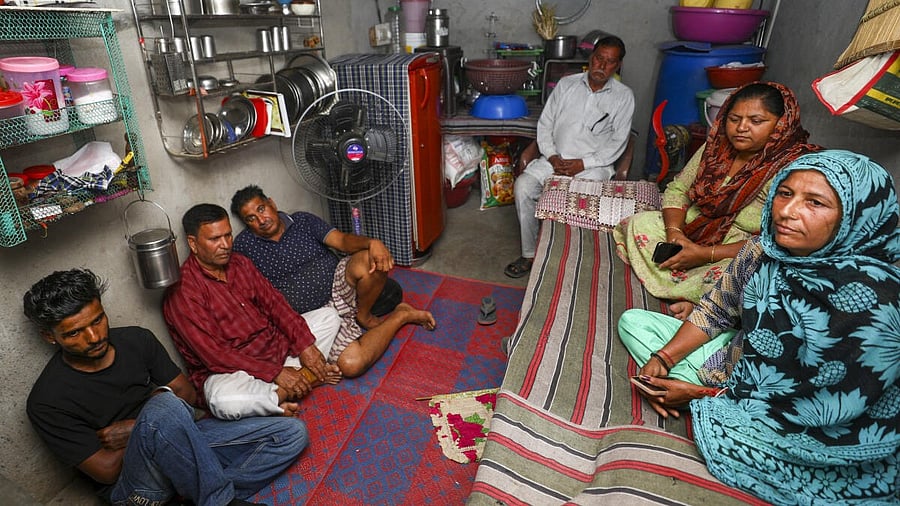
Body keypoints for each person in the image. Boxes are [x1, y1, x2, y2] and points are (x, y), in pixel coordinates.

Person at [618, 150, 900, 504]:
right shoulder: (763, 250)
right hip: (739, 359)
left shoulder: (875, 302)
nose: (786, 211)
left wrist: (701, 397)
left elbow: (821, 404)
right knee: (634, 322)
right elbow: (716, 310)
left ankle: (700, 392)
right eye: (785, 193)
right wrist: (662, 357)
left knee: (810, 467)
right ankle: (694, 381)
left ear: (856, 217)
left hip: (806, 415)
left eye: (814, 202)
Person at [25, 269, 306, 506]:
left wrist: (139, 427)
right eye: (74, 333)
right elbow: (107, 471)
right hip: (136, 486)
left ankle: (195, 488)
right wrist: (149, 428)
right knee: (163, 408)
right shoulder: (47, 399)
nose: (94, 336)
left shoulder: (136, 340)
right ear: (50, 336)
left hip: (179, 435)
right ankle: (218, 498)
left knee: (291, 433)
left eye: (98, 320)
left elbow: (188, 395)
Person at [614, 82, 819, 303]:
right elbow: (678, 189)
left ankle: (698, 301)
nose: (741, 128)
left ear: (781, 123)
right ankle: (698, 295)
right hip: (695, 228)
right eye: (734, 119)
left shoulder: (793, 168)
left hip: (740, 248)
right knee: (640, 224)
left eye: (756, 121)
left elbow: (778, 240)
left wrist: (704, 254)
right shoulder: (715, 149)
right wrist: (675, 234)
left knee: (748, 274)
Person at [230, 185, 436, 378]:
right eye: (251, 218)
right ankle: (401, 315)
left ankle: (363, 315)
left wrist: (372, 242)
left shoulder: (301, 221)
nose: (261, 219)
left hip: (339, 286)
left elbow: (343, 241)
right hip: (311, 316)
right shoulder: (244, 246)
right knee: (351, 364)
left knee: (367, 259)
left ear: (272, 204)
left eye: (262, 209)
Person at [163, 203, 344, 421]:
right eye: (214, 239)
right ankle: (303, 379)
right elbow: (216, 356)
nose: (225, 245)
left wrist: (305, 345)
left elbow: (276, 305)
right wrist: (276, 373)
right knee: (223, 401)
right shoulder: (183, 292)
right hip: (233, 372)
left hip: (275, 349)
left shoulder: (241, 264)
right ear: (193, 243)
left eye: (228, 235)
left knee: (329, 317)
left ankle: (279, 394)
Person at [504, 35, 635, 278]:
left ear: (617, 66)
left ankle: (570, 259)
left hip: (592, 167)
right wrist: (552, 157)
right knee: (523, 186)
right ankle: (529, 254)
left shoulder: (623, 96)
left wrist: (582, 164)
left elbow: (619, 142)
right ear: (590, 58)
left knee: (583, 196)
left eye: (609, 62)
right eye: (598, 59)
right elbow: (545, 125)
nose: (601, 66)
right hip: (554, 159)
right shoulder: (566, 85)